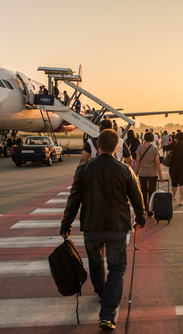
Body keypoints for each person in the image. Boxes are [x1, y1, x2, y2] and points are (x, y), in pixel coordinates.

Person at [60, 129, 146, 330]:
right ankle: (107, 314)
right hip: (117, 228)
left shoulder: (84, 169)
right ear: (117, 148)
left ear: (98, 145)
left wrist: (66, 225)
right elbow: (137, 196)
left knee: (96, 264)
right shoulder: (125, 170)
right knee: (117, 268)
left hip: (92, 227)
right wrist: (140, 218)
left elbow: (74, 199)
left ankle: (101, 292)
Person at [135, 132, 164, 216]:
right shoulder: (154, 149)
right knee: (152, 191)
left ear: (144, 138)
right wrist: (161, 176)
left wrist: (135, 173)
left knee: (143, 191)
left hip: (142, 172)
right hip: (152, 173)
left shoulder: (140, 148)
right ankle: (151, 210)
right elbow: (157, 163)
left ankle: (144, 208)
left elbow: (137, 161)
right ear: (153, 139)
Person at [165, 132, 183, 206]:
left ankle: (174, 196)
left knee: (174, 182)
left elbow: (166, 148)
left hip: (174, 166)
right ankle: (182, 200)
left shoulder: (175, 144)